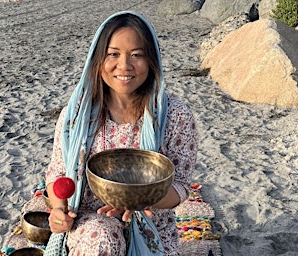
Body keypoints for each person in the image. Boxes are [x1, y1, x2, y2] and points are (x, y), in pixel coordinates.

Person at [44, 11, 198, 255]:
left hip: (151, 227)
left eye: (136, 55)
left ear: (151, 60)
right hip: (90, 223)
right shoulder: (76, 116)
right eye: (113, 54)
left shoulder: (174, 115)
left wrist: (140, 199)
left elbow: (180, 186)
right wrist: (58, 210)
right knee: (102, 237)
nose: (124, 66)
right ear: (98, 60)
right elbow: (58, 173)